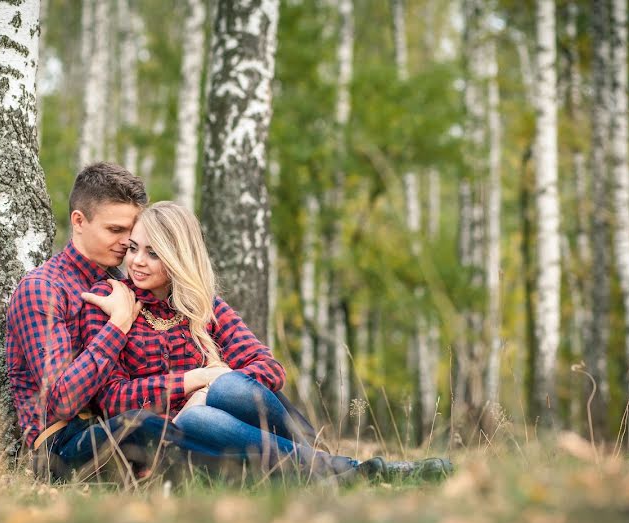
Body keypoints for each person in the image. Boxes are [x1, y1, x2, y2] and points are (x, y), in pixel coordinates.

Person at [79, 201, 452, 483]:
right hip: (180, 445)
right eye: (132, 248)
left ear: (178, 257)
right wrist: (195, 381)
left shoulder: (204, 307)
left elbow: (267, 368)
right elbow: (111, 398)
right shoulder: (112, 302)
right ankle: (352, 469)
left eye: (153, 253)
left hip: (239, 431)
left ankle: (332, 470)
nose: (137, 262)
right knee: (196, 415)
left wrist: (212, 387)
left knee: (226, 388)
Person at [5, 162, 146, 480]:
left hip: (121, 423)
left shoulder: (126, 286)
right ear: (79, 221)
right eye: (115, 230)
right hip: (62, 449)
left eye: (131, 231)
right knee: (145, 427)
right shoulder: (42, 289)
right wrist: (118, 325)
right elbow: (62, 402)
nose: (127, 242)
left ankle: (282, 458)